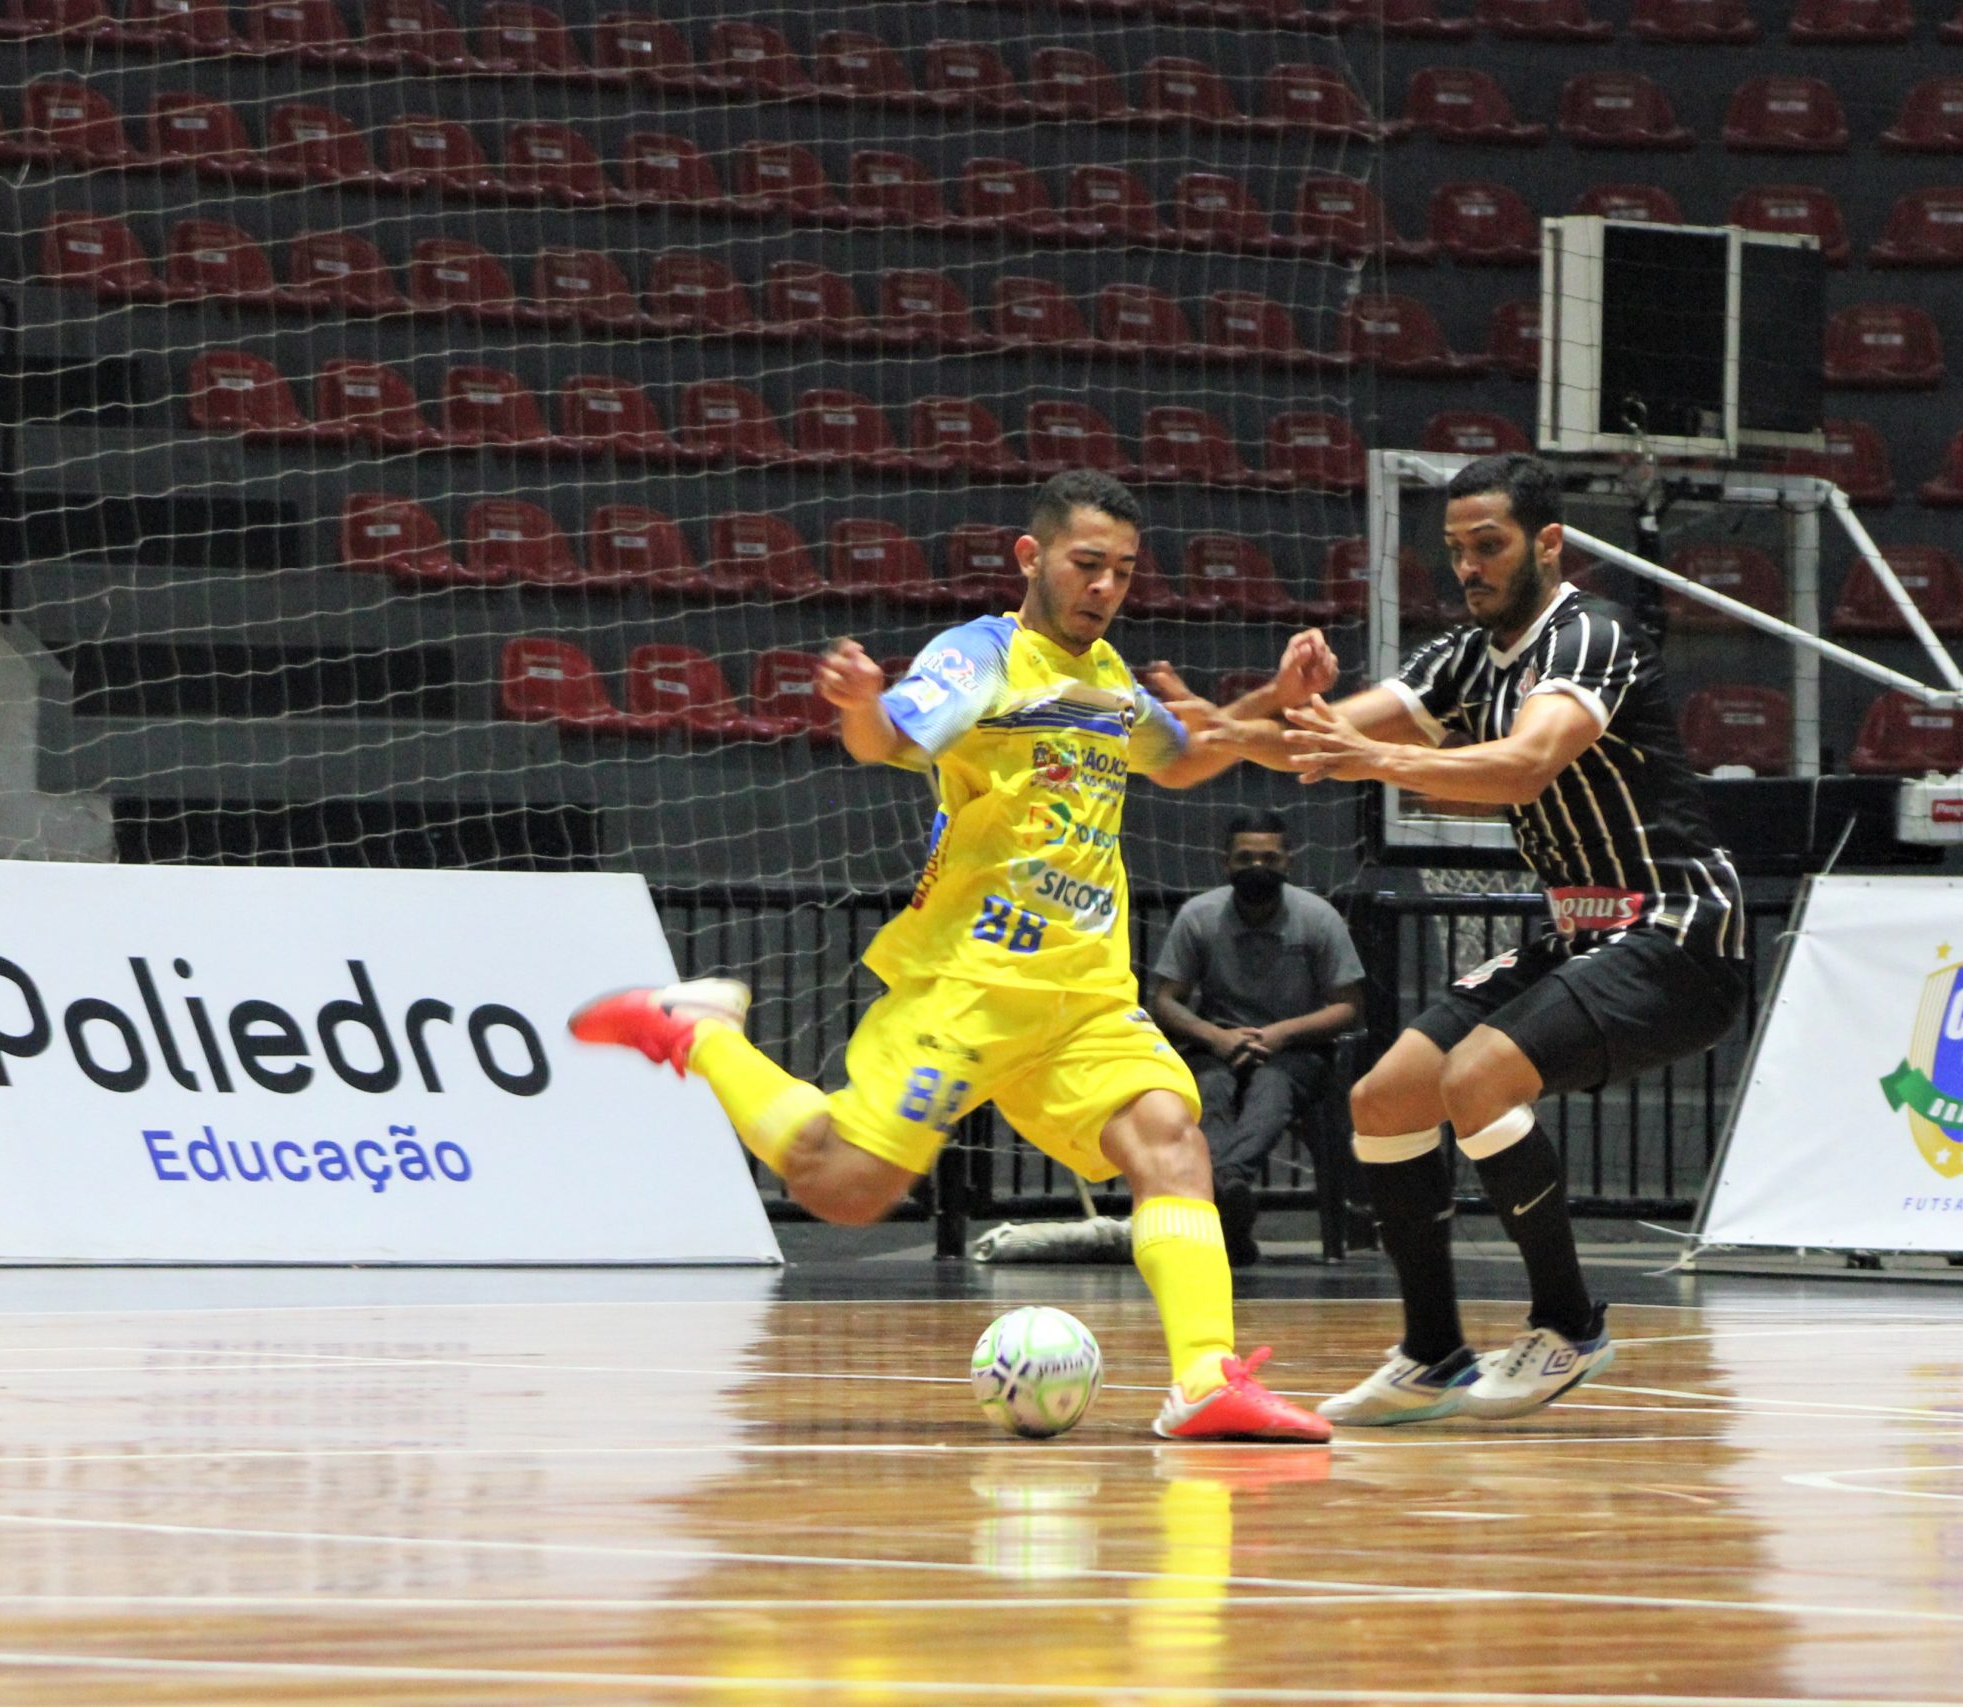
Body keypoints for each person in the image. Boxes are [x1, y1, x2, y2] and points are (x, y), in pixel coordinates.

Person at [569, 471, 1332, 1443]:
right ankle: (699, 1033)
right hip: (970, 986)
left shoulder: (1106, 675)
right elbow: (886, 734)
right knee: (842, 1189)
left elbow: (1179, 753)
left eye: (1122, 572)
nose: (1103, 587)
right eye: (1085, 564)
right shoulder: (981, 657)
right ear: (1032, 556)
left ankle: (1203, 1380)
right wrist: (857, 702)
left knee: (1169, 1140)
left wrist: (1274, 697)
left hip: (1083, 998)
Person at [1204, 452, 1748, 1425]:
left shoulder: (1589, 635)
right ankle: (1432, 1355)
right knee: (1383, 1097)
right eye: (1455, 550)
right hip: (1576, 928)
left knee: (1478, 1077)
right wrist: (1223, 716)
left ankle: (1568, 1326)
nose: (1468, 567)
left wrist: (1372, 756)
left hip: (1676, 926)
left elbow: (1529, 762)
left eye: (1488, 545)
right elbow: (1309, 738)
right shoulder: (1461, 655)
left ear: (1547, 544)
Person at [1146, 809, 1363, 1266]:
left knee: (1272, 1088)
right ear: (1225, 863)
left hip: (1297, 1052)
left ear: (1288, 861)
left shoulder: (1318, 918)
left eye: (1268, 857)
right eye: (1245, 857)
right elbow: (1164, 1000)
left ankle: (1226, 1181)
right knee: (1209, 1090)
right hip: (1215, 1047)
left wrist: (1282, 1034)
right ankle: (1232, 1199)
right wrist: (1213, 1036)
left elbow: (1348, 1005)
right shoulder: (1199, 916)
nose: (1257, 867)